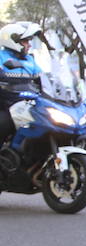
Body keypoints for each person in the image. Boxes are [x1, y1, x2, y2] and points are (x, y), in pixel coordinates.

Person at [0, 21, 44, 150]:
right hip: (5, 105)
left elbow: (42, 79)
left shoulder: (29, 60)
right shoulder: (1, 57)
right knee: (2, 123)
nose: (29, 45)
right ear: (13, 41)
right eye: (25, 41)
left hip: (27, 105)